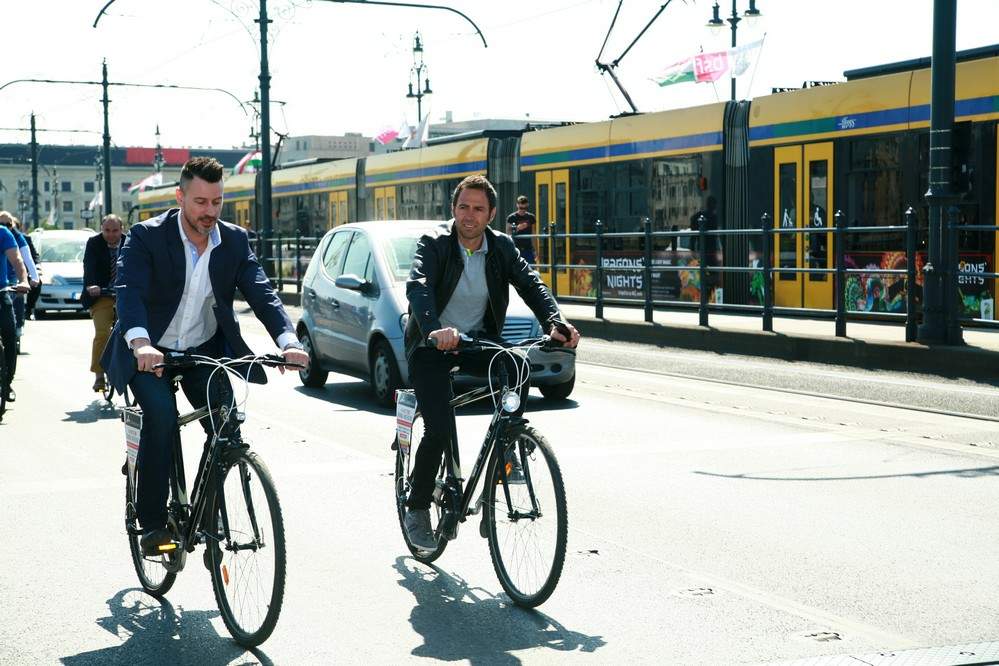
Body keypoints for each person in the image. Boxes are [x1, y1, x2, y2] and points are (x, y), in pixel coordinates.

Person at [100, 157, 310, 555]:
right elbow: (129, 291)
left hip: (201, 351)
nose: (209, 211)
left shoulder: (234, 240)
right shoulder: (147, 236)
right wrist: (141, 343)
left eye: (217, 202)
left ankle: (208, 513)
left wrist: (289, 342)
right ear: (180, 198)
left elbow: (262, 292)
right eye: (200, 202)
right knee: (162, 418)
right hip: (151, 353)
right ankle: (153, 523)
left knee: (227, 426)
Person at [402, 175, 580, 550]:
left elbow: (531, 284)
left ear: (492, 214)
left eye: (478, 209)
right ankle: (416, 507)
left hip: (477, 342)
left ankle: (506, 452)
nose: (469, 215)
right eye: (463, 207)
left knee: (517, 366)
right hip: (431, 345)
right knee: (438, 427)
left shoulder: (501, 246)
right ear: (453, 209)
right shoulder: (434, 242)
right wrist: (434, 330)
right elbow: (419, 285)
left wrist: (555, 322)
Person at [82, 213, 125, 392]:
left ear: (122, 229)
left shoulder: (130, 242)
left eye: (115, 231)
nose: (111, 234)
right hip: (101, 295)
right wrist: (92, 285)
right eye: (107, 230)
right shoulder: (94, 243)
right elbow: (89, 266)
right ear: (101, 229)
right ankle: (99, 375)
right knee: (102, 333)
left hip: (125, 294)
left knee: (136, 331)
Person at [0, 218, 29, 402]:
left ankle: (7, 382)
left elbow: (17, 260)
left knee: (10, 334)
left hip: (0, 291)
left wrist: (23, 280)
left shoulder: (2, 233)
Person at [0, 213, 39, 337]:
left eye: (8, 224)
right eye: (1, 224)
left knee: (18, 296)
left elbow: (23, 259)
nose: (5, 226)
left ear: (12, 225)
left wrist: (31, 278)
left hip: (9, 278)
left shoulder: (13, 236)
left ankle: (18, 325)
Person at [505, 195, 537, 264]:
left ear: (527, 205)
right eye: (521, 208)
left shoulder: (531, 217)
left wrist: (535, 250)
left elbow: (534, 235)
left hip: (528, 249)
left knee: (531, 268)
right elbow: (508, 235)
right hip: (516, 249)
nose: (523, 210)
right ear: (517, 205)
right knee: (516, 269)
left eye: (525, 208)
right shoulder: (511, 218)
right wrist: (517, 228)